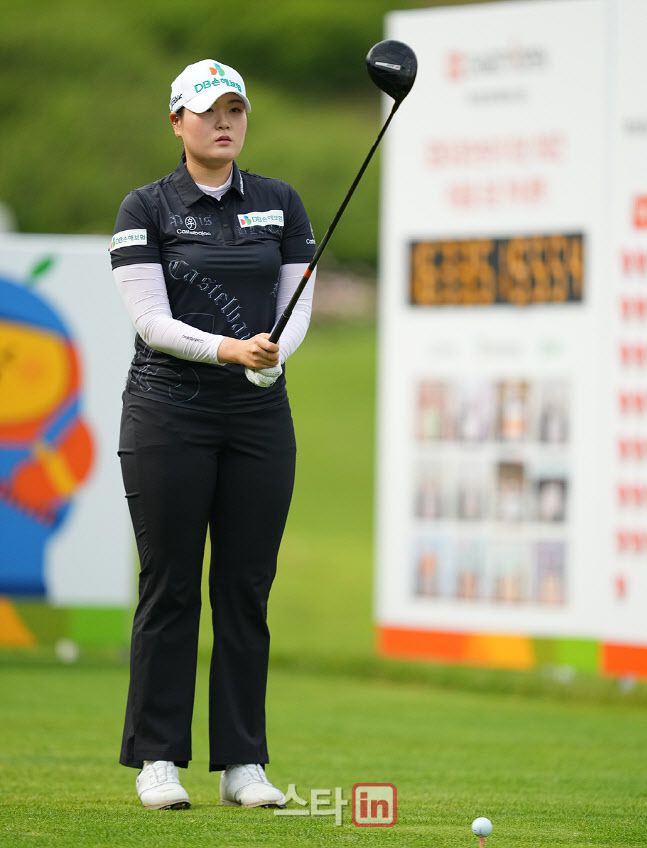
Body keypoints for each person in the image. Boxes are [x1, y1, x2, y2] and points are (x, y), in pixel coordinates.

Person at [109, 59, 316, 811]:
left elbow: (297, 306)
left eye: (235, 110)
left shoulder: (279, 203)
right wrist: (232, 349)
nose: (223, 122)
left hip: (258, 417)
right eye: (207, 112)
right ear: (178, 122)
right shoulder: (146, 207)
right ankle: (158, 758)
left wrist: (271, 356)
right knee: (169, 586)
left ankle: (243, 764)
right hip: (168, 414)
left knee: (245, 590)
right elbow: (151, 322)